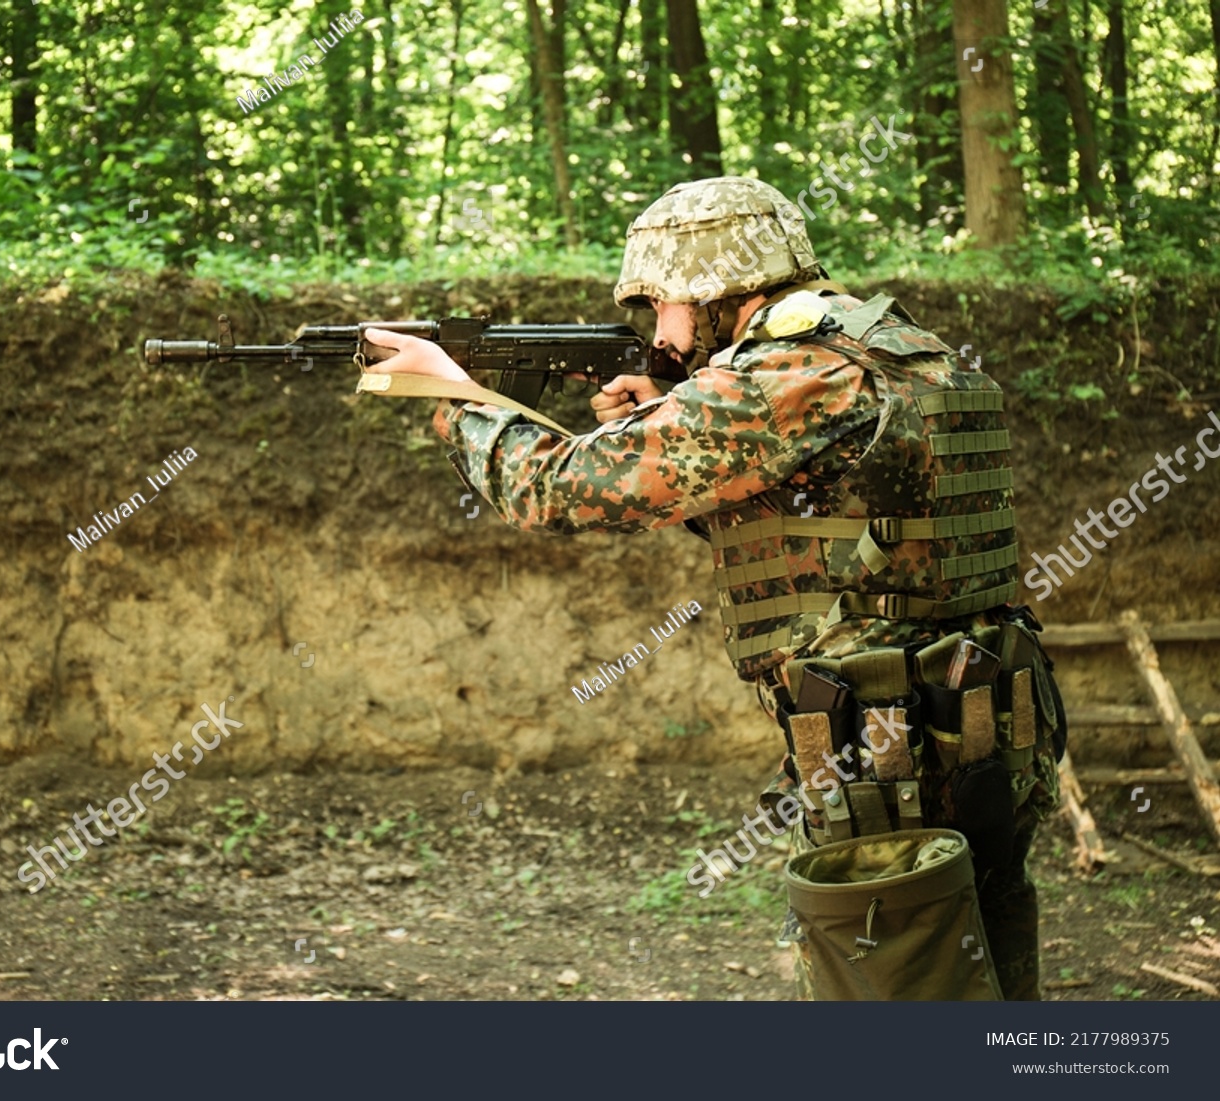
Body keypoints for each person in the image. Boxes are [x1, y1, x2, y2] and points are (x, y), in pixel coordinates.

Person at [362, 177, 1064, 1000]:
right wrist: (671, 411)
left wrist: (450, 393)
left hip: (892, 743)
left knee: (896, 988)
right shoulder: (889, 343)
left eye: (657, 302)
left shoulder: (785, 370)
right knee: (983, 981)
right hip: (984, 716)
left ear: (710, 288)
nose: (655, 330)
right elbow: (834, 529)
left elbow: (556, 486)